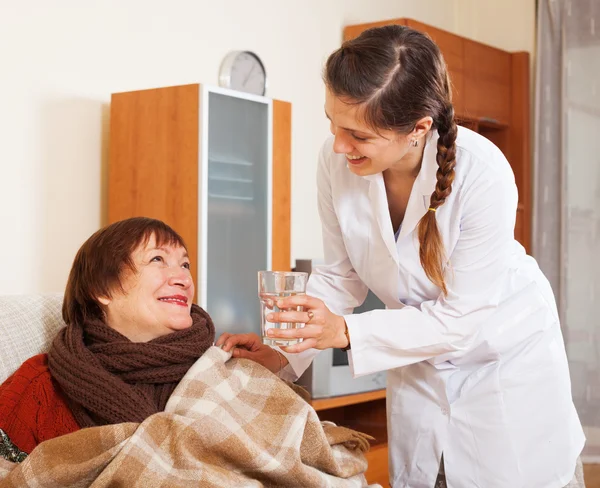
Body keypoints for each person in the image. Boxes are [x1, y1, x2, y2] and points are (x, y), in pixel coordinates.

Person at [217, 25, 586, 488]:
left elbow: (462, 320)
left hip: (500, 359)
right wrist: (282, 353)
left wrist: (345, 331)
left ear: (418, 129)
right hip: (417, 365)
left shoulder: (484, 173)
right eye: (332, 123)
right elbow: (339, 277)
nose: (338, 145)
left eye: (358, 135)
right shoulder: (336, 164)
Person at [0, 217, 215, 458]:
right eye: (158, 259)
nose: (183, 279)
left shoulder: (223, 368)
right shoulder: (37, 389)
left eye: (185, 265)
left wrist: (267, 365)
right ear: (103, 289)